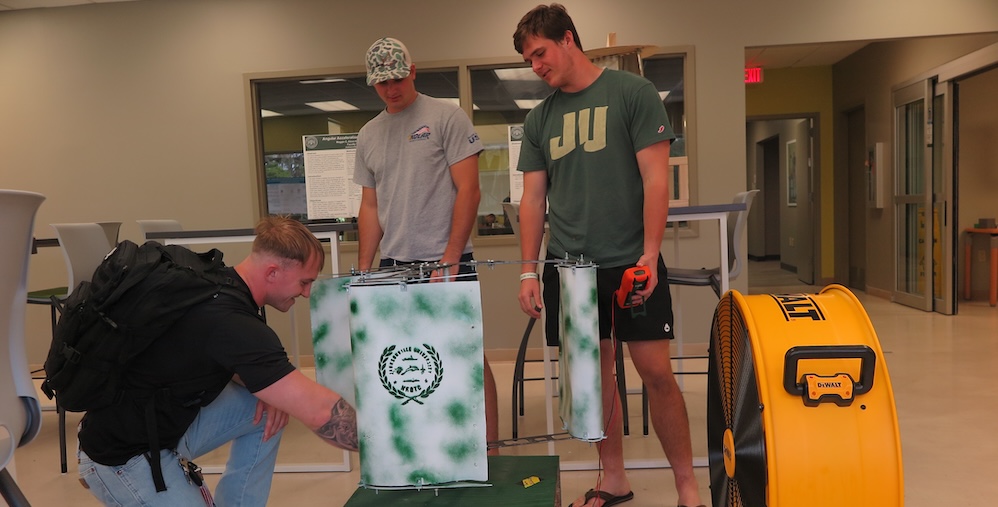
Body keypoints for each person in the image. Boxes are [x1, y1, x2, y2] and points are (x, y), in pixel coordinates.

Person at [512, 5, 704, 507]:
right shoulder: (540, 118)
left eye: (540, 53)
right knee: (596, 380)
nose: (536, 66)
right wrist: (529, 271)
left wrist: (650, 253)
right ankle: (613, 477)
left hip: (629, 260)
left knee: (656, 374)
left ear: (569, 39)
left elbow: (655, 179)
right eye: (528, 59)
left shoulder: (632, 94)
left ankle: (688, 486)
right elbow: (533, 201)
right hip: (569, 271)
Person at [77, 216, 359, 506]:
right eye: (305, 281)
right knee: (277, 399)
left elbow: (215, 354)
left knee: (265, 405)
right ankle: (104, 478)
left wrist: (271, 390)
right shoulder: (232, 321)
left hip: (157, 425)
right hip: (122, 456)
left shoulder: (216, 282)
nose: (307, 292)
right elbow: (320, 411)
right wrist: (390, 444)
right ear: (273, 271)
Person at [353, 37, 499, 454]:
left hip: (447, 260)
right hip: (394, 265)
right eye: (382, 83)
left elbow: (469, 191)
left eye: (397, 78)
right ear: (372, 84)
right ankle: (426, 448)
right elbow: (369, 206)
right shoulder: (368, 134)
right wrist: (365, 273)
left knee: (467, 354)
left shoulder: (446, 117)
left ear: (412, 71)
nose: (391, 89)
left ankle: (489, 449)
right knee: (407, 361)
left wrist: (450, 258)